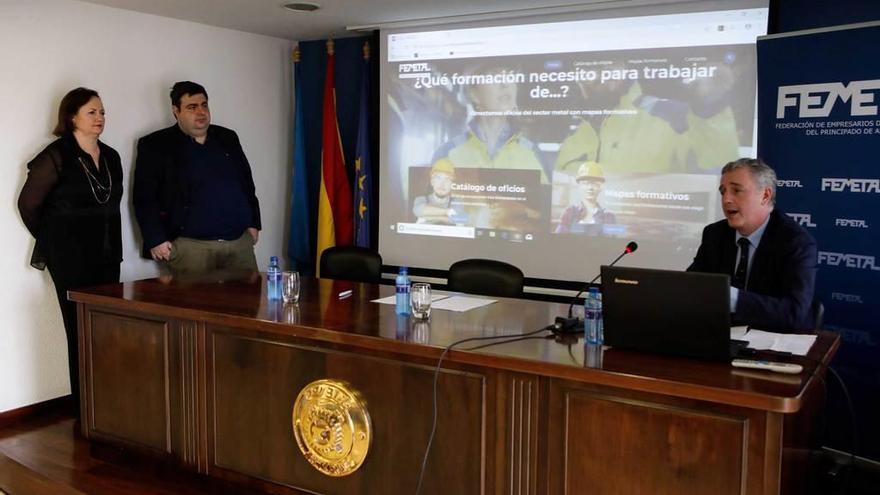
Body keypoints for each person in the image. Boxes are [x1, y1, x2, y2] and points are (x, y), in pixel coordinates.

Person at [18, 87, 123, 413]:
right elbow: (28, 204)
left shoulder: (112, 156)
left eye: (102, 112)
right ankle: (85, 408)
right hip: (71, 259)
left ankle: (108, 400)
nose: (100, 118)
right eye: (92, 112)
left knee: (106, 328)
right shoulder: (57, 155)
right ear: (71, 116)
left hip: (107, 253)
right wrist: (55, 239)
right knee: (78, 329)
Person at [133, 81, 261, 275]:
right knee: (195, 305)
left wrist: (254, 223)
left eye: (204, 105)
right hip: (190, 248)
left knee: (248, 303)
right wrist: (156, 239)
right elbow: (144, 197)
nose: (201, 112)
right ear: (176, 111)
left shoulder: (227, 137)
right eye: (192, 107)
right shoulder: (156, 145)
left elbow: (246, 183)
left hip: (239, 243)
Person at [687, 158, 817, 331]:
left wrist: (732, 298)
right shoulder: (714, 234)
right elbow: (691, 285)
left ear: (765, 195)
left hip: (768, 343)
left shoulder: (795, 242)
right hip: (717, 337)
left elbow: (794, 312)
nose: (726, 199)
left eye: (736, 191)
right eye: (723, 191)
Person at [432, 64, 548, 183]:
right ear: (474, 94)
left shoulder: (533, 153)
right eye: (495, 77)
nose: (505, 84)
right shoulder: (447, 153)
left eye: (511, 77)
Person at [555, 160, 616, 234]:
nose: (590, 187)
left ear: (600, 188)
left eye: (595, 183)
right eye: (585, 183)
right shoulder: (570, 212)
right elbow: (559, 237)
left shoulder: (608, 216)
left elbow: (612, 241)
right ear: (579, 187)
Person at [412, 158, 459, 224]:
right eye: (438, 178)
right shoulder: (421, 199)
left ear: (451, 184)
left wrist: (428, 217)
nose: (442, 184)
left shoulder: (456, 201)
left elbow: (457, 219)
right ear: (432, 182)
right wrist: (447, 212)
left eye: (447, 179)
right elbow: (418, 211)